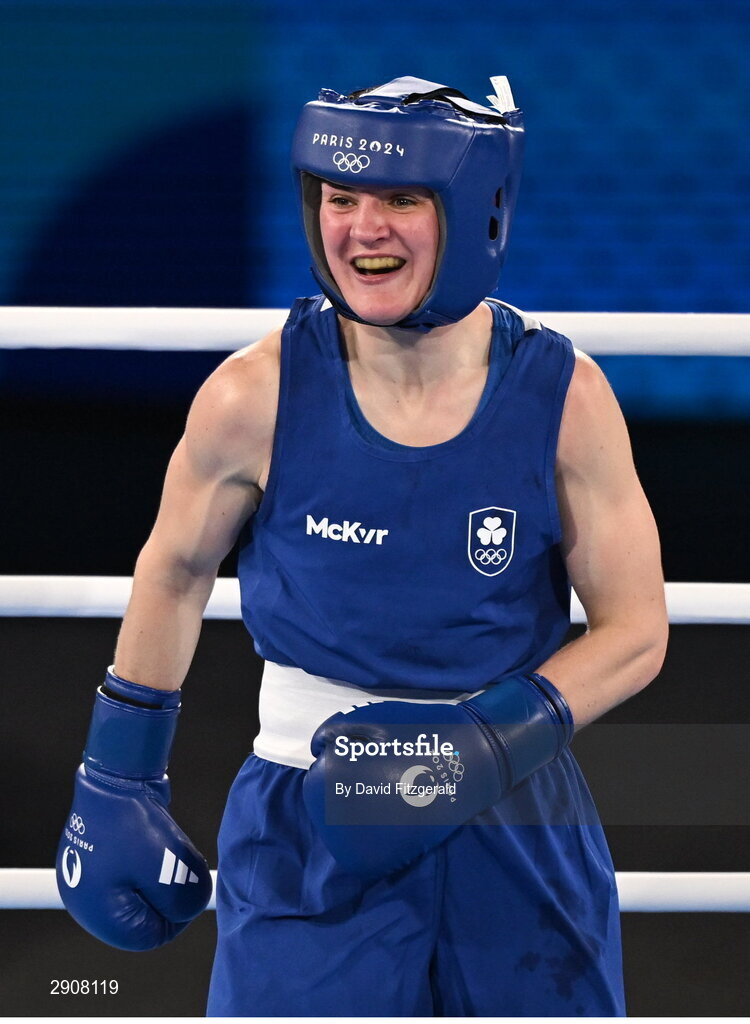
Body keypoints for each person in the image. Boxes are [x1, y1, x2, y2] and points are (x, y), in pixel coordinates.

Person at [56, 76, 668, 1016]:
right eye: (341, 199)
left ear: (474, 214)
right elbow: (175, 570)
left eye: (401, 200)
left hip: (513, 814)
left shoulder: (565, 397)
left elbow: (636, 629)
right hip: (310, 814)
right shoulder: (250, 395)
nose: (363, 230)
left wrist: (485, 742)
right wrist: (116, 772)